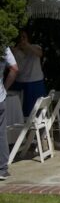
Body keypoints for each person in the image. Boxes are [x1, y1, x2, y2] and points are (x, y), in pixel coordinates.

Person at [11, 30, 45, 116]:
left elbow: (40, 53)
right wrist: (17, 48)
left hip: (35, 82)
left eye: (24, 37)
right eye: (20, 37)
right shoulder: (16, 51)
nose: (22, 40)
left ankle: (34, 127)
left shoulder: (34, 47)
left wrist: (28, 45)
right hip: (20, 82)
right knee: (19, 109)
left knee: (34, 110)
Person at [0, 46, 19, 180]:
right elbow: (14, 68)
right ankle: (2, 169)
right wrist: (4, 88)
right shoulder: (3, 45)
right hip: (0, 97)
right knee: (1, 134)